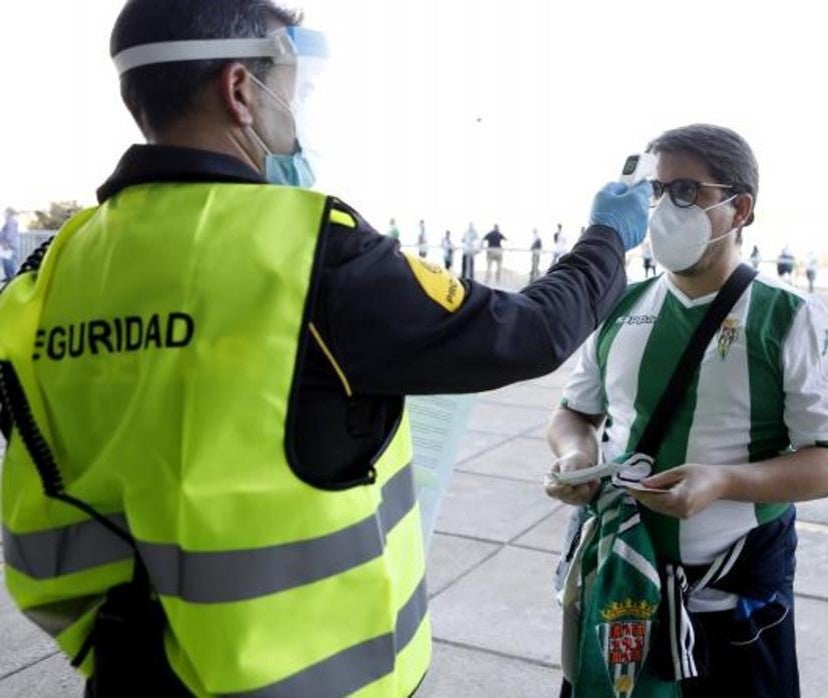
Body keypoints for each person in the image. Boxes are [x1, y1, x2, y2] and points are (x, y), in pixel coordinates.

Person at [0, 3, 652, 695]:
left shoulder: (52, 270)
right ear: (240, 91)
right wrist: (606, 238)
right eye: (294, 85)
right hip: (297, 676)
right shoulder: (312, 250)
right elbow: (529, 331)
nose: (300, 106)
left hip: (128, 665)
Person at [547, 124, 828, 697]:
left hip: (731, 606)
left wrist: (723, 482)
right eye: (656, 192)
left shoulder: (789, 318)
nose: (664, 208)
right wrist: (576, 456)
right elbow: (574, 413)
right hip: (620, 590)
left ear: (739, 209)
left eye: (686, 191)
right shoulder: (621, 306)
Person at [1, 207, 19, 280]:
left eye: (5, 212)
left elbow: (10, 233)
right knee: (6, 261)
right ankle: (8, 277)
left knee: (9, 262)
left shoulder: (11, 221)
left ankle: (11, 277)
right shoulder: (8, 221)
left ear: (9, 213)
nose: (4, 213)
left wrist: (7, 243)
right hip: (6, 244)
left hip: (9, 245)